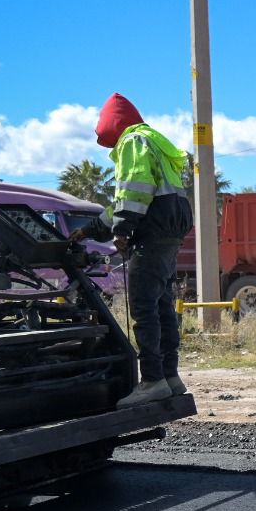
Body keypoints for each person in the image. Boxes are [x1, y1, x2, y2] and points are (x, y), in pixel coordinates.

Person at [70, 93, 194, 407]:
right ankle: (170, 377)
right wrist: (90, 229)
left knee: (143, 306)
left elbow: (134, 189)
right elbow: (128, 200)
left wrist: (123, 229)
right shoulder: (155, 142)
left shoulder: (132, 142)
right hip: (168, 232)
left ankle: (152, 380)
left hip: (151, 234)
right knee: (161, 304)